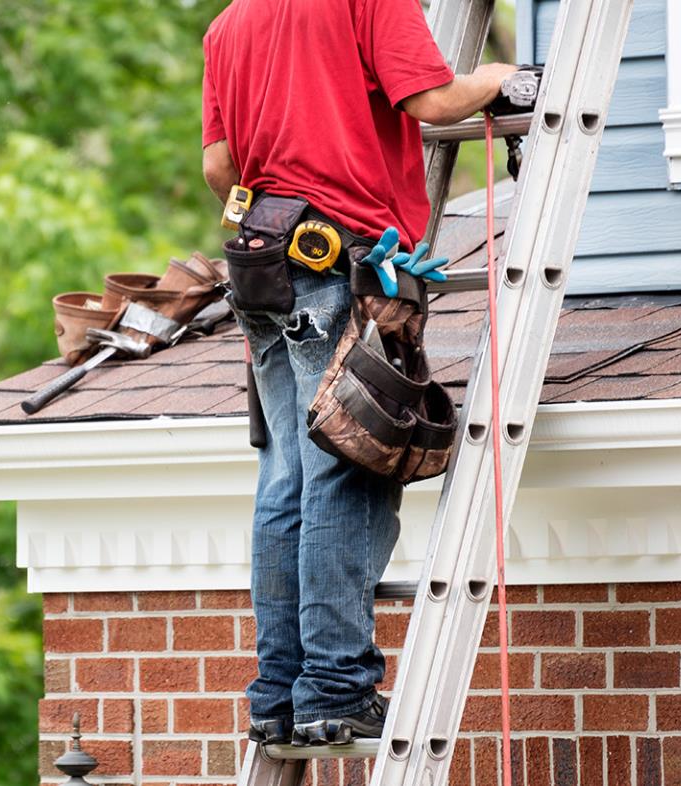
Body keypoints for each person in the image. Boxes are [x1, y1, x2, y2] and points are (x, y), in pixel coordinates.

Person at [201, 0, 516, 746]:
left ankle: (278, 694)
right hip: (334, 256)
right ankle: (337, 687)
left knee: (285, 479)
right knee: (342, 466)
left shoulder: (229, 23)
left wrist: (269, 213)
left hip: (261, 264)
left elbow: (219, 167)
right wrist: (498, 77)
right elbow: (433, 102)